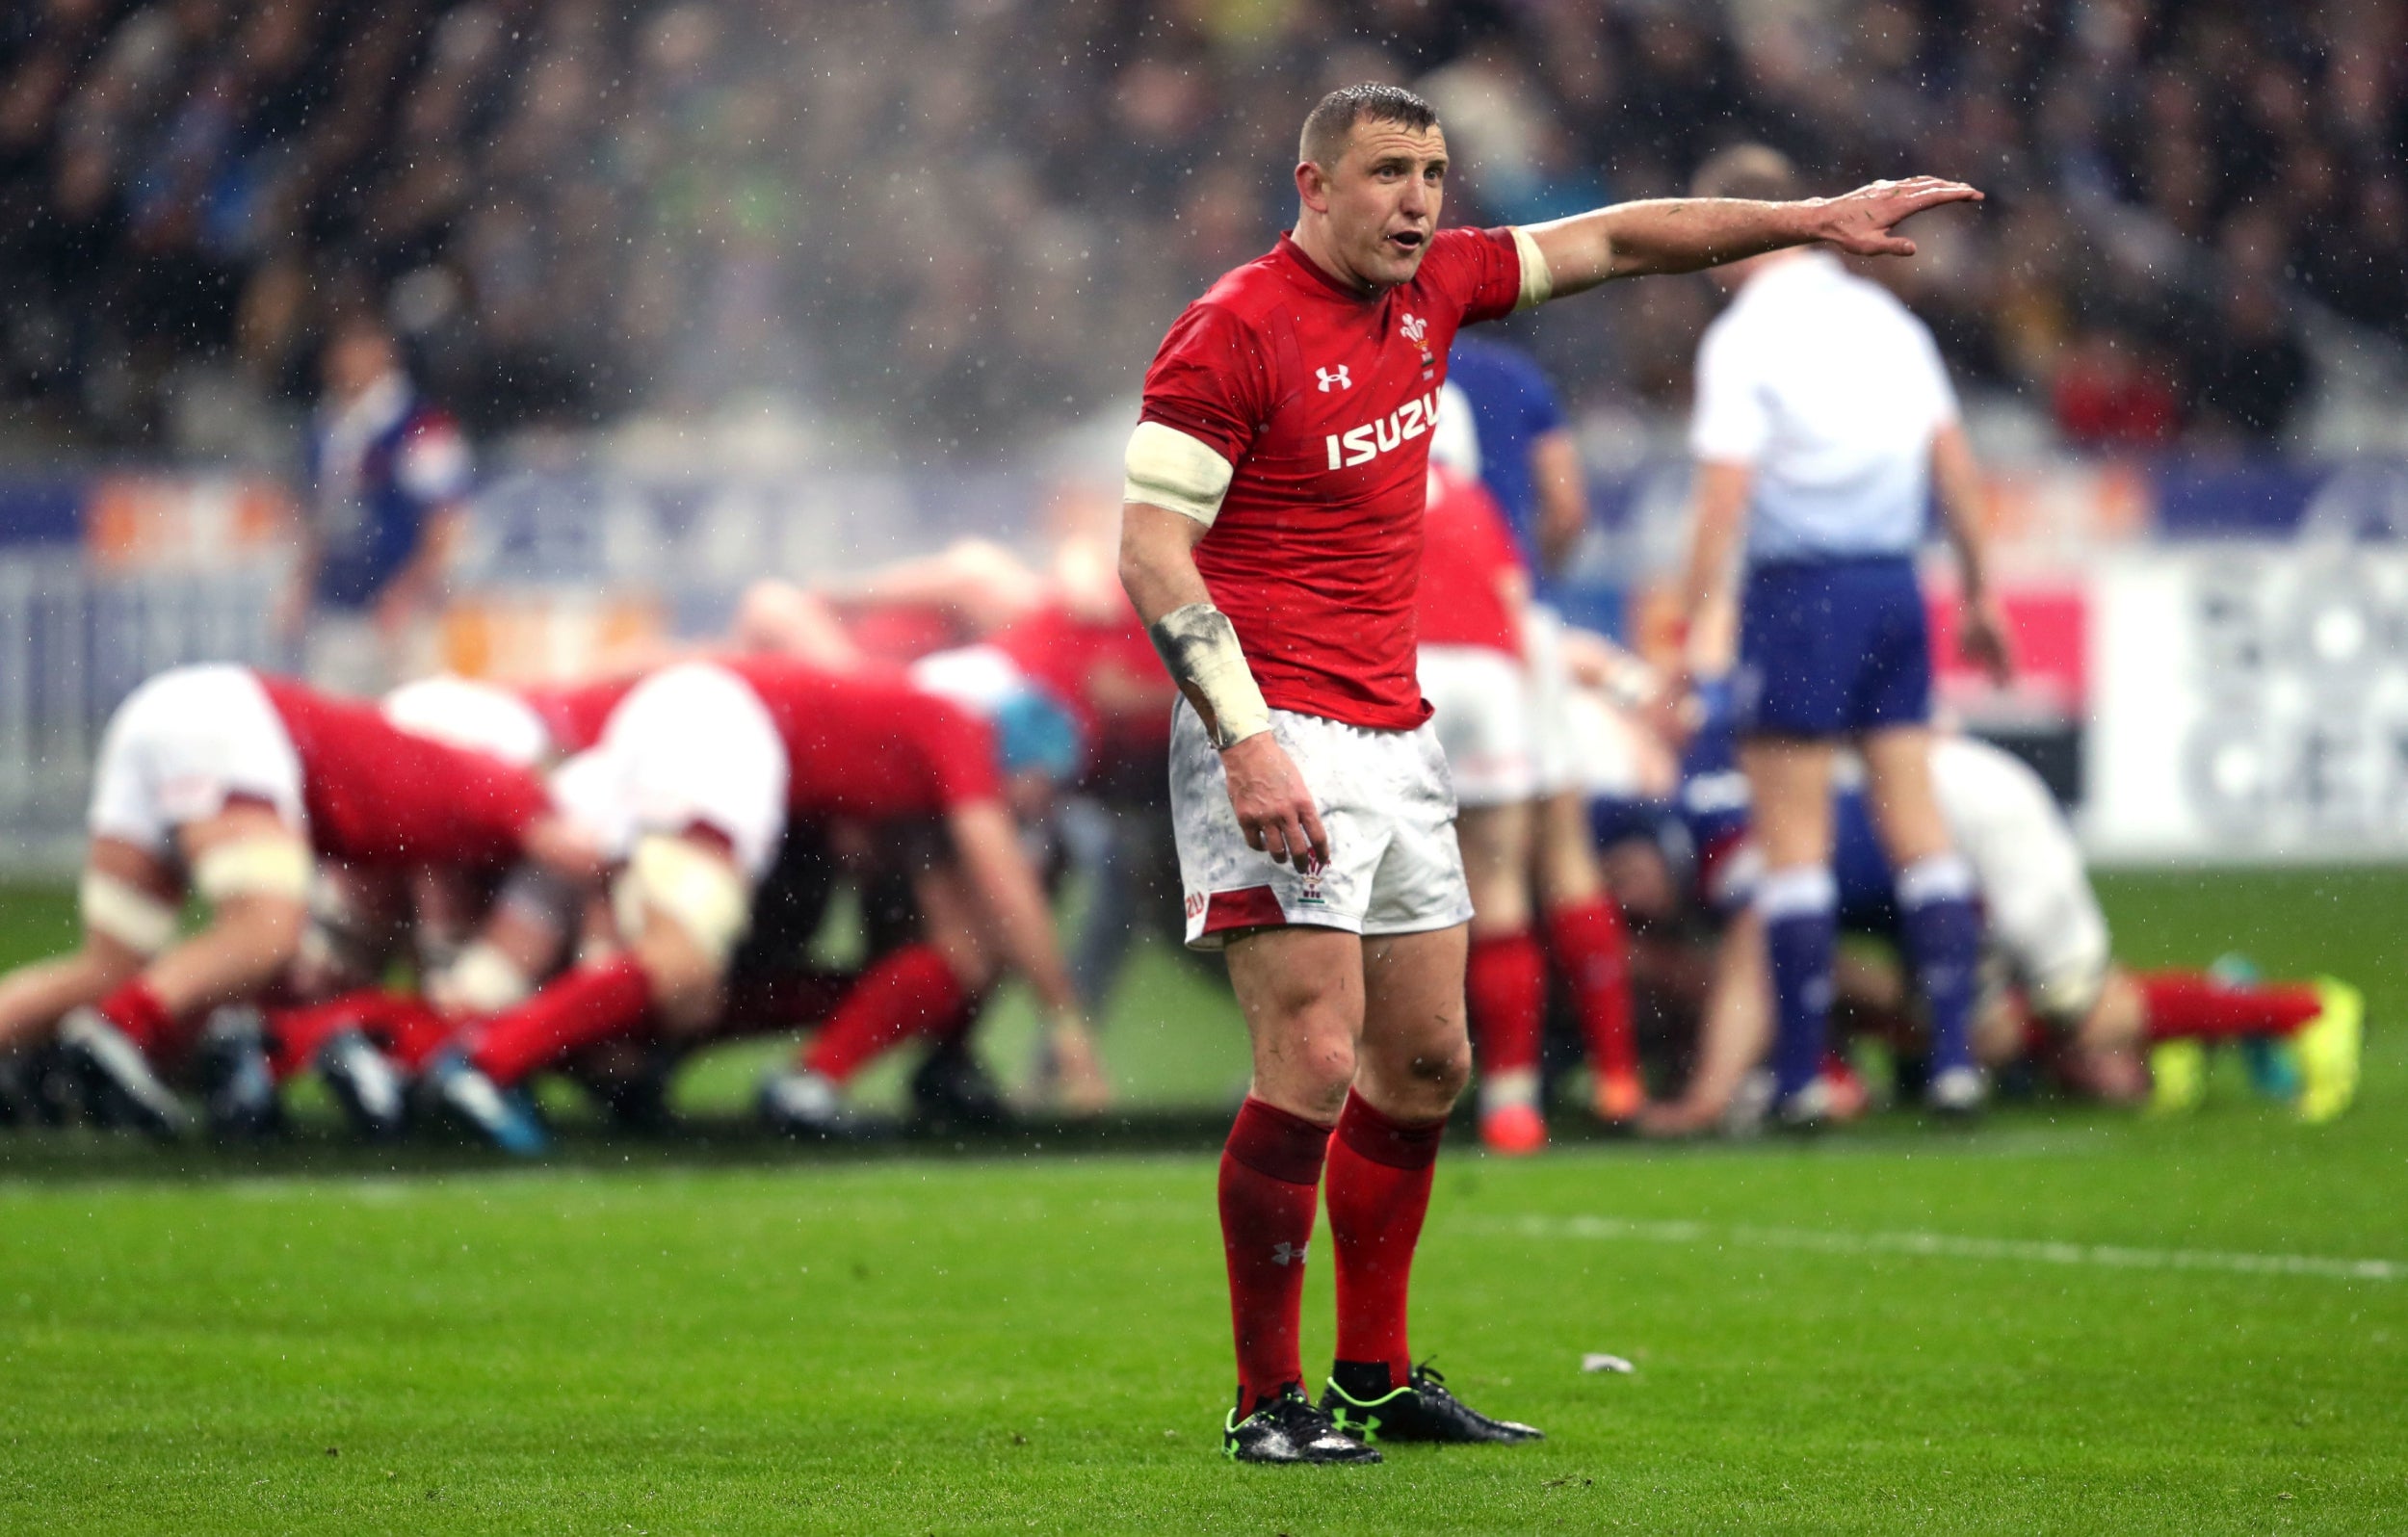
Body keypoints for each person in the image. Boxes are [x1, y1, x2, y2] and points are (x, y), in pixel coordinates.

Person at [1115, 83, 1977, 1463]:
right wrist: (1245, 733)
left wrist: (1806, 221)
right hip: (1269, 726)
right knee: (1317, 1059)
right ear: (1312, 184)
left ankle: (1376, 1379)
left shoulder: (1442, 288)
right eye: (1388, 172)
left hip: (1399, 728)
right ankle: (1264, 1399)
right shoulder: (1229, 331)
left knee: (1428, 1060)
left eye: (1435, 173)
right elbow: (1151, 551)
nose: (1417, 200)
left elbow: (1628, 241)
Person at [1668, 143, 2007, 1130]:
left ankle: (1802, 1078)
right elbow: (1954, 462)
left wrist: (1689, 626)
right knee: (1918, 825)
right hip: (1895, 583)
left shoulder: (1743, 339)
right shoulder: (1884, 319)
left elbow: (1722, 492)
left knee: (1794, 840)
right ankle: (1952, 1062)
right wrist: (1979, 593)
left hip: (1800, 592)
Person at [0, 664, 598, 1136]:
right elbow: (576, 855)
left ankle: (77, 1046)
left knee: (106, 967)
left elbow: (362, 932)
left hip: (164, 714)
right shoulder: (497, 787)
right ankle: (116, 1034)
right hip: (224, 728)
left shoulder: (396, 757)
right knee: (263, 933)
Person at [288, 315, 472, 694]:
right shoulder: (328, 425)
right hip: (339, 607)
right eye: (342, 349)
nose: (347, 360)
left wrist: (408, 590)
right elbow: (320, 514)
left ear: (384, 353)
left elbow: (445, 520)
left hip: (401, 610)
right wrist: (303, 584)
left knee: (409, 725)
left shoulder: (423, 425)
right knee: (334, 729)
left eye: (359, 347)